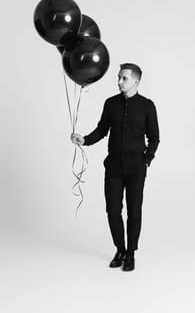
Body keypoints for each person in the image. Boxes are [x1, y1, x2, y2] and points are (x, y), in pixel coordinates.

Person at [71, 63, 160, 271]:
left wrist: (146, 159)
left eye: (124, 78)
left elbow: (154, 137)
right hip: (113, 166)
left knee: (134, 211)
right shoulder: (111, 104)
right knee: (112, 210)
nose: (119, 81)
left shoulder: (147, 106)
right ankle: (120, 249)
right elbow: (102, 130)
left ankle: (131, 253)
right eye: (119, 78)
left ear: (136, 81)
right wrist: (84, 140)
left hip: (136, 167)